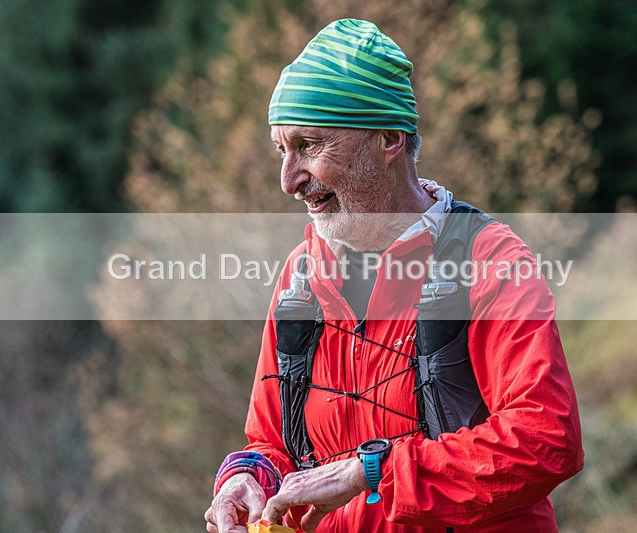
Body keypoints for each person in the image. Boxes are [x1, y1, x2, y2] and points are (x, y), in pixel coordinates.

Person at [205, 18, 583, 533]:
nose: (288, 180)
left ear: (387, 138)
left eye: (308, 145)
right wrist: (247, 476)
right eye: (281, 150)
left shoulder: (488, 260)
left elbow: (546, 440)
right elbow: (272, 442)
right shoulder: (301, 276)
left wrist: (371, 471)